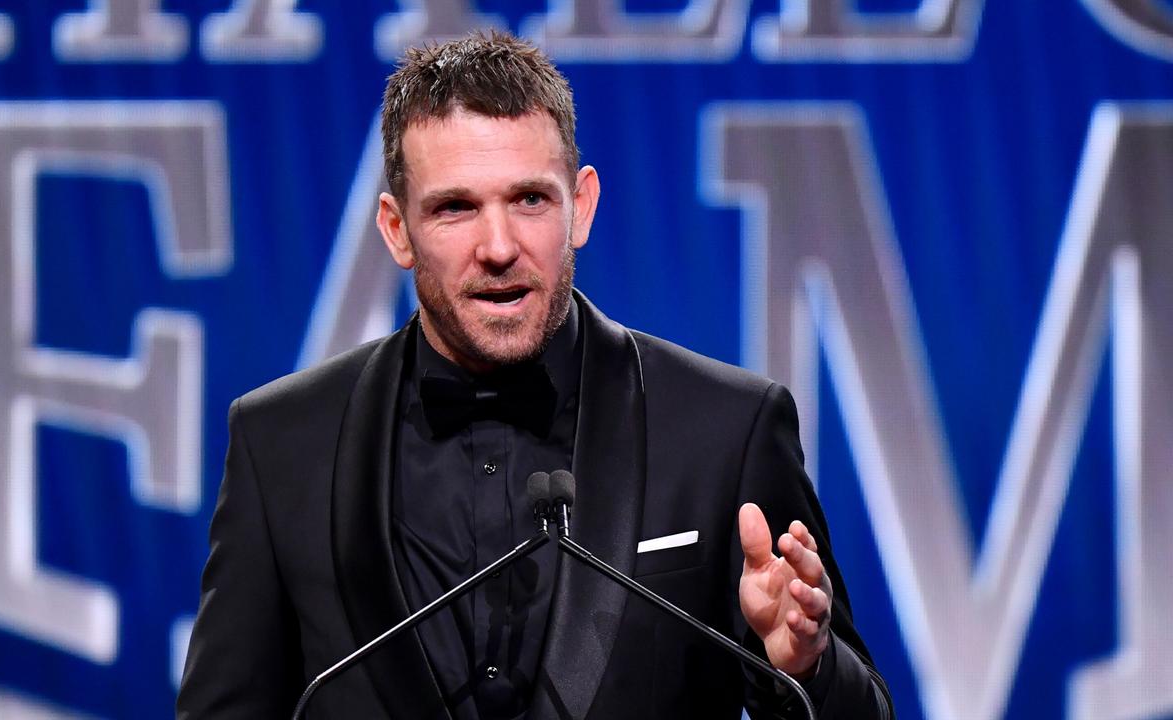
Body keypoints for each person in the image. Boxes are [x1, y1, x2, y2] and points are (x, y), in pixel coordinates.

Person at [178, 30, 893, 720]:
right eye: (456, 207)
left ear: (579, 205)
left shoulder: (725, 429)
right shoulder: (280, 445)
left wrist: (804, 663)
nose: (498, 246)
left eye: (529, 200)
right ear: (397, 229)